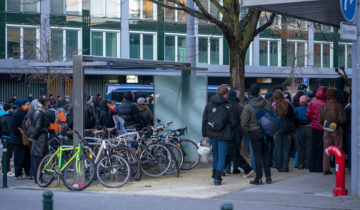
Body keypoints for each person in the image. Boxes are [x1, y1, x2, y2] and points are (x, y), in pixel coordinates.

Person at [202, 86, 235, 185]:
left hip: (211, 134)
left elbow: (204, 120)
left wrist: (204, 134)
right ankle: (217, 177)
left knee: (215, 155)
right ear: (225, 94)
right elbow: (233, 122)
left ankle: (214, 172)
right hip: (223, 135)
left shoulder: (209, 104)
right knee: (222, 157)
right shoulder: (228, 106)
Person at [241, 84, 273, 185]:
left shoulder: (248, 106)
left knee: (257, 155)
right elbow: (273, 115)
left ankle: (258, 178)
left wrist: (248, 131)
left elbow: (244, 123)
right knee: (266, 155)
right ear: (259, 92)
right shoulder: (267, 103)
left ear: (250, 94)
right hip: (266, 132)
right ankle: (268, 177)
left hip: (254, 132)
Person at [225, 90, 254, 177]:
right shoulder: (240, 106)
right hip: (238, 132)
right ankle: (234, 169)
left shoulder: (226, 106)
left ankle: (223, 170)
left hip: (229, 132)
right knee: (234, 151)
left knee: (231, 153)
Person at [319, 88, 346, 175]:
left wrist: (324, 125)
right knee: (339, 150)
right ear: (336, 95)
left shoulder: (324, 106)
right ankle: (339, 169)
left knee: (326, 150)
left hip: (327, 130)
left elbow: (320, 119)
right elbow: (343, 119)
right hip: (337, 130)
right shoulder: (339, 105)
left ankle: (325, 169)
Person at [272, 90, 297, 172]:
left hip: (276, 129)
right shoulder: (289, 105)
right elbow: (293, 118)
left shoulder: (274, 106)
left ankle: (279, 166)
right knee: (286, 148)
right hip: (287, 129)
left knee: (278, 148)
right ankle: (285, 166)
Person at [306, 86, 327, 172]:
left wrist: (313, 120)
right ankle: (319, 166)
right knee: (321, 147)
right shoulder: (326, 103)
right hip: (323, 127)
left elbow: (308, 114)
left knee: (314, 147)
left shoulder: (312, 102)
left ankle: (312, 166)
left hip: (314, 126)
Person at [10, 98, 31, 180]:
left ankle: (28, 173)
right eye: (27, 104)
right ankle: (18, 174)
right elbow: (13, 127)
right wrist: (21, 132)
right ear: (21, 106)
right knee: (19, 157)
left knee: (26, 157)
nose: (28, 106)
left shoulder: (25, 113)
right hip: (18, 140)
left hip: (24, 140)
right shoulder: (17, 114)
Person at [28, 98, 49, 182]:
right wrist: (45, 130)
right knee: (40, 159)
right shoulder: (40, 113)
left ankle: (37, 177)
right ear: (43, 103)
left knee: (35, 158)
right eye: (46, 103)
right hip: (40, 139)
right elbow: (38, 127)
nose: (47, 104)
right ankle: (39, 178)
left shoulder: (34, 111)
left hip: (35, 139)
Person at [294, 95, 312, 169]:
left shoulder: (296, 109)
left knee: (300, 147)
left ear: (299, 102)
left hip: (299, 128)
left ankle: (301, 164)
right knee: (309, 147)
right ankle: (308, 164)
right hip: (309, 128)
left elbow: (293, 119)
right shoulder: (309, 109)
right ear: (307, 101)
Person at [0, 103, 14, 176]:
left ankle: (4, 170)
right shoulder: (8, 117)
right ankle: (7, 171)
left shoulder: (1, 116)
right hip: (8, 138)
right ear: (9, 109)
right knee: (8, 155)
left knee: (5, 154)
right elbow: (10, 129)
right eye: (11, 108)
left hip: (3, 137)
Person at [344, 96, 351, 170]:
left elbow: (344, 120)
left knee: (349, 149)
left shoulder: (347, 108)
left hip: (348, 130)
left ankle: (350, 166)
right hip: (351, 129)